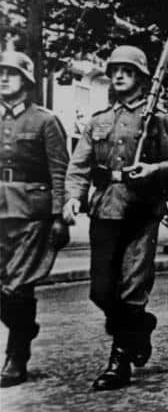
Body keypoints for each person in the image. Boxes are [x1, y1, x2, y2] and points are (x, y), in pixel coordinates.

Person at [64, 45, 168, 391]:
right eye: (114, 70)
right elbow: (79, 165)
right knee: (101, 290)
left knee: (132, 287)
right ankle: (139, 327)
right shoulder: (98, 120)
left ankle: (119, 362)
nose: (118, 76)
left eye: (127, 71)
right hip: (105, 208)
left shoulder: (158, 118)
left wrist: (152, 170)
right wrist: (73, 197)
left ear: (141, 79)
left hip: (141, 210)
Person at [0, 50, 69, 387]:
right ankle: (25, 327)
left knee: (18, 287)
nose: (3, 79)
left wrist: (59, 217)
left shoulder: (45, 121)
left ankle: (16, 356)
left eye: (11, 74)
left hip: (32, 214)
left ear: (26, 82)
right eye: (0, 73)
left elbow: (59, 171)